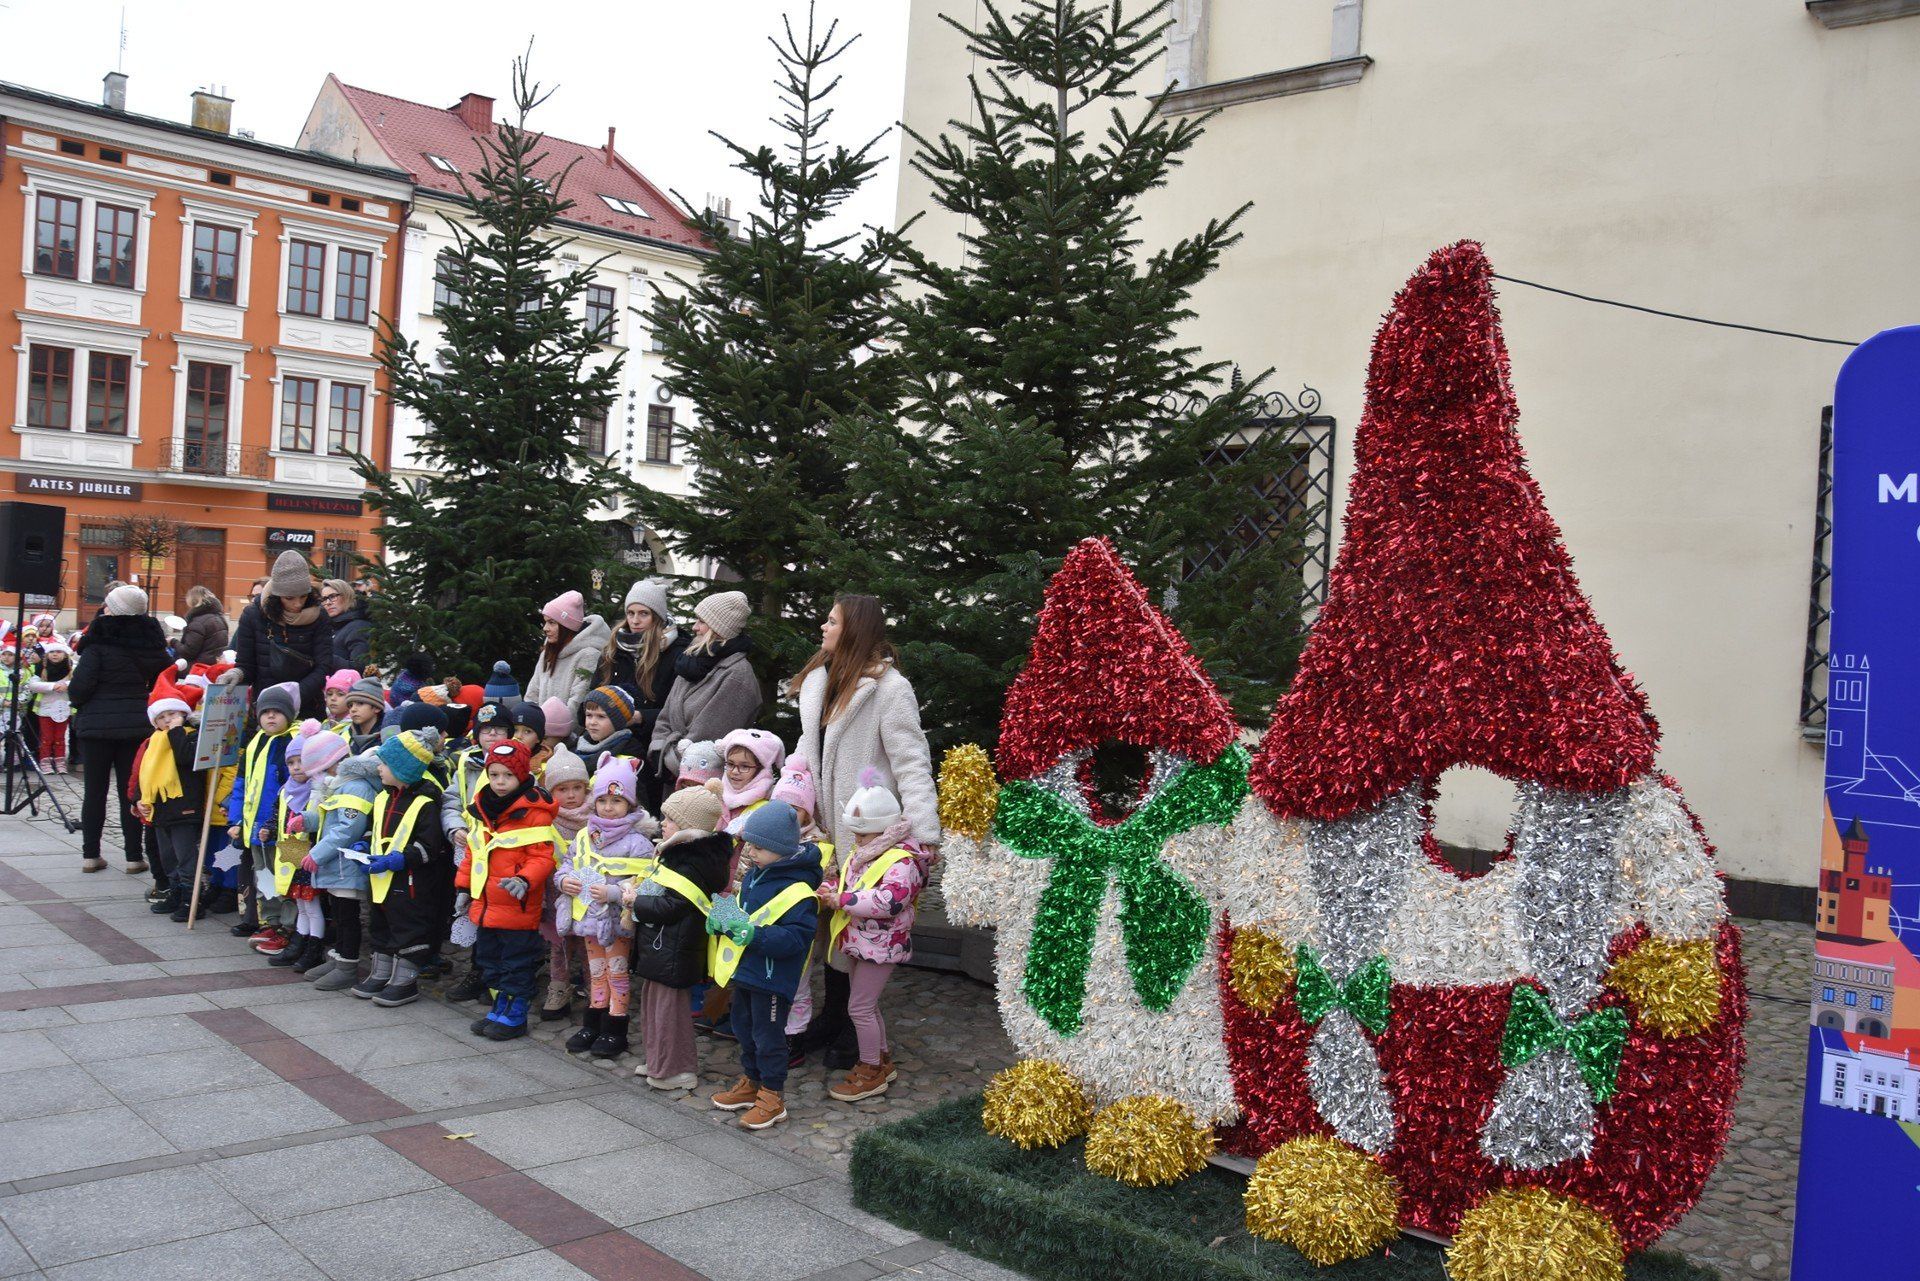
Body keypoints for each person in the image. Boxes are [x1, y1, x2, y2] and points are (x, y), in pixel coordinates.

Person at [786, 595, 941, 1067]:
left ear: (854, 629)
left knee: (854, 930)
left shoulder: (890, 690)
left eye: (831, 620)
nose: (823, 625)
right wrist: (789, 800)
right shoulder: (820, 682)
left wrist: (924, 833)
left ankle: (851, 1029)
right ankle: (833, 1019)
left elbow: (912, 760)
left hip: (866, 835)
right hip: (823, 829)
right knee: (827, 928)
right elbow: (804, 750)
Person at [706, 800, 822, 1132]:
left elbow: (796, 940)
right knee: (743, 1028)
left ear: (781, 849)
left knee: (769, 1037)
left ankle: (772, 1096)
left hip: (773, 978)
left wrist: (753, 935)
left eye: (758, 847)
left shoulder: (798, 890)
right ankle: (752, 1082)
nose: (750, 852)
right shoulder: (759, 875)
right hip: (748, 970)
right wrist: (723, 921)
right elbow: (745, 912)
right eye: (749, 845)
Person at [822, 775, 928, 1102]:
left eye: (862, 833)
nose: (856, 839)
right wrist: (834, 886)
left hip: (881, 944)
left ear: (883, 829)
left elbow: (888, 901)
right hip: (864, 941)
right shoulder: (869, 850)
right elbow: (855, 883)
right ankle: (881, 1061)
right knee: (867, 1005)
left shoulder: (901, 861)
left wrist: (841, 901)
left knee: (860, 1008)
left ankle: (870, 1069)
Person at [627, 784, 730, 1090]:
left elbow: (674, 906)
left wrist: (635, 901)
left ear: (687, 827)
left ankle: (675, 1069)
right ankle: (659, 1060)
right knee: (654, 1007)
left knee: (669, 1012)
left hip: (674, 948)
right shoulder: (682, 855)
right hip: (664, 946)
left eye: (670, 819)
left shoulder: (690, 861)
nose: (663, 823)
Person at [456, 740, 559, 1041]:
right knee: (490, 959)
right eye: (495, 774)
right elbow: (474, 852)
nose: (500, 782)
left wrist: (525, 880)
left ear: (522, 776)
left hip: (517, 903)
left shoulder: (533, 811)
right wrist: (464, 886)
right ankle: (499, 1006)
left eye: (508, 776)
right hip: (487, 903)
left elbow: (542, 856)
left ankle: (516, 1014)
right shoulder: (484, 807)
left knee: (518, 962)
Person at [70, 584, 174, 873]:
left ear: (111, 608)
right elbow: (166, 681)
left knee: (94, 791)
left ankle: (91, 855)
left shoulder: (98, 642)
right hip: (137, 727)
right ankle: (133, 857)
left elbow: (79, 689)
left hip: (96, 727)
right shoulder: (152, 642)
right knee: (132, 792)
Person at [558, 755, 655, 1059]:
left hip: (617, 922)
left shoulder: (637, 842)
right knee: (595, 971)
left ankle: (616, 1026)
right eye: (602, 799)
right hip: (587, 916)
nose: (608, 807)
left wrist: (614, 892)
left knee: (617, 971)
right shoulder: (585, 835)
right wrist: (563, 882)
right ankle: (594, 1019)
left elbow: (647, 883)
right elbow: (567, 863)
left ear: (630, 803)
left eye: (617, 800)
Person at [358, 727, 450, 1007]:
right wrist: (363, 847)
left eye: (384, 763)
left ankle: (405, 979)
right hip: (381, 878)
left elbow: (430, 846)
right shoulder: (383, 796)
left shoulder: (426, 802)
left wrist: (400, 858)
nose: (379, 767)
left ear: (403, 768)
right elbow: (373, 829)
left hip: (411, 881)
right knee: (381, 923)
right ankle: (382, 972)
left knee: (408, 927)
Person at [647, 591, 760, 790]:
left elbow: (706, 739)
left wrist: (669, 760)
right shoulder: (691, 663)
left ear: (718, 628)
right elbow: (665, 717)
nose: (694, 627)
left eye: (701, 621)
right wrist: (658, 749)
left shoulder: (737, 676)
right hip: (673, 775)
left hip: (703, 783)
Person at [270, 726, 352, 971]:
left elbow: (320, 822)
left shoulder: (318, 790)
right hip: (293, 853)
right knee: (301, 903)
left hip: (311, 853)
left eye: (301, 762)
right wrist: (268, 828)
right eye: (292, 762)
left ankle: (313, 947)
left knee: (312, 904)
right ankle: (299, 942)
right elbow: (278, 814)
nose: (296, 767)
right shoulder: (286, 790)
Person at [223, 682, 299, 937]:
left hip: (288, 830)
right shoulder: (254, 745)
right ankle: (272, 923)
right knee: (264, 876)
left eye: (277, 712)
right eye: (266, 712)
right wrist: (235, 820)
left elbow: (297, 787)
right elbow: (241, 786)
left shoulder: (293, 743)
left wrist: (278, 823)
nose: (271, 716)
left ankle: (293, 927)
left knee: (290, 877)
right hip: (256, 830)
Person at [224, 551, 335, 719]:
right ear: (277, 596)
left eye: (303, 596)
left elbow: (323, 666)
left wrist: (295, 694)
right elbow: (246, 664)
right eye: (289, 598)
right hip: (266, 709)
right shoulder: (253, 615)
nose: (297, 604)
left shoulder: (319, 616)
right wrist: (237, 674)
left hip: (307, 708)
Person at [304, 749, 378, 992]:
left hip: (346, 865)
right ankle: (338, 958)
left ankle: (347, 965)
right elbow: (331, 820)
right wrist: (306, 820)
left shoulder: (356, 787)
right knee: (338, 912)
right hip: (338, 864)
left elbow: (348, 829)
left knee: (347, 916)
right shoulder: (345, 785)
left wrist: (317, 854)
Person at [595, 580, 687, 751]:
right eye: (630, 613)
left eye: (643, 613)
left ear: (657, 617)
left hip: (652, 745)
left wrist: (640, 717)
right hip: (607, 742)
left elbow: (678, 712)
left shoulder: (677, 654)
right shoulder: (613, 650)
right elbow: (590, 699)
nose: (635, 621)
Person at [539, 744, 592, 1023]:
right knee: (559, 946)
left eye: (577, 788)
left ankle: (595, 989)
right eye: (562, 789)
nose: (571, 795)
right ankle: (559, 988)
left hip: (588, 897)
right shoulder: (547, 818)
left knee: (587, 944)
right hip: (555, 894)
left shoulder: (596, 818)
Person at [523, 591, 611, 714]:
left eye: (552, 622)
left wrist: (553, 729)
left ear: (567, 626)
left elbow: (577, 704)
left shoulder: (589, 655)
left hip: (565, 731)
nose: (545, 628)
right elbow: (532, 694)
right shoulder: (548, 651)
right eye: (545, 621)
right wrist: (531, 725)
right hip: (538, 730)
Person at [29, 639, 73, 774]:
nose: (55, 654)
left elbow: (78, 682)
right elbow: (33, 685)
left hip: (63, 709)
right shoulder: (41, 669)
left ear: (65, 654)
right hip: (45, 710)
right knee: (46, 737)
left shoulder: (71, 669)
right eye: (52, 652)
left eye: (59, 652)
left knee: (60, 737)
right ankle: (45, 760)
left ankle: (59, 761)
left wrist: (67, 685)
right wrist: (53, 686)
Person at [574, 685, 640, 773]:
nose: (592, 722)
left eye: (601, 716)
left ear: (617, 721)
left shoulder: (630, 751)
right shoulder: (578, 745)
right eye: (589, 715)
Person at [320, 578, 371, 671]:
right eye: (324, 599)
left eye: (333, 596)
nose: (328, 603)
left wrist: (324, 657)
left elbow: (360, 668)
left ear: (347, 596)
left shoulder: (359, 627)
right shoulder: (331, 626)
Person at [174, 586, 230, 669]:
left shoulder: (197, 622)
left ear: (193, 602)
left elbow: (188, 652)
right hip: (215, 666)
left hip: (198, 669)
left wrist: (173, 642)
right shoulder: (220, 618)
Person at [342, 677, 386, 754]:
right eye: (350, 705)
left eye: (360, 703)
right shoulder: (345, 736)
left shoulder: (387, 737)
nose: (353, 709)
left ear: (377, 708)